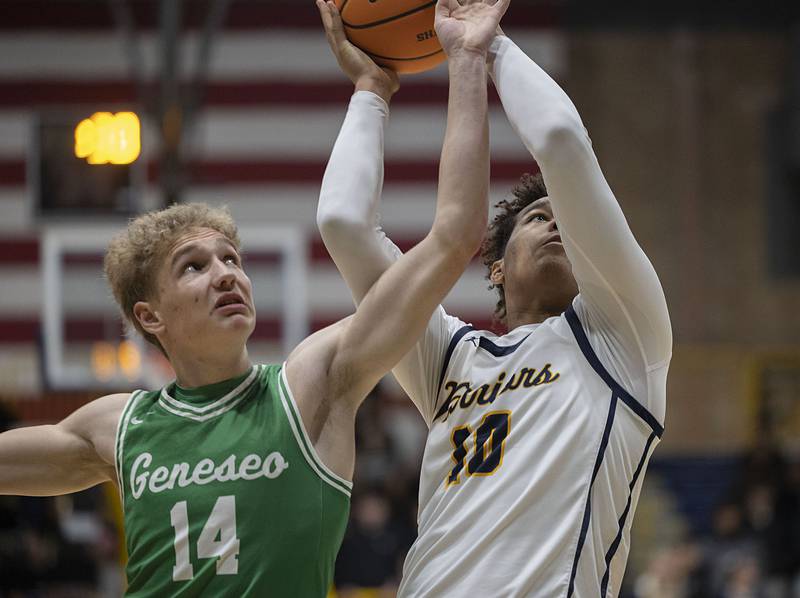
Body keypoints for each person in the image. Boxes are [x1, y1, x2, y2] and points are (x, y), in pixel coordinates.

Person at [0, 0, 510, 594]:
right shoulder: (118, 425)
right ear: (149, 315)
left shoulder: (313, 384)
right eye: (194, 267)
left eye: (231, 260)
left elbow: (453, 237)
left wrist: (454, 65)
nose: (226, 275)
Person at [317, 8, 673, 598]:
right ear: (498, 267)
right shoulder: (450, 358)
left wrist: (491, 43)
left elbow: (560, 142)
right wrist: (371, 92)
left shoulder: (623, 338)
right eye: (538, 218)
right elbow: (343, 224)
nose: (559, 224)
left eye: (566, 217)